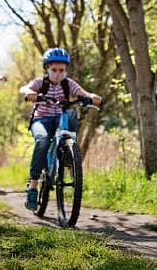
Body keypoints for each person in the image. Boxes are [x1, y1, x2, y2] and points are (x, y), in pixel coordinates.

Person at [19, 48, 102, 210]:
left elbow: (82, 92)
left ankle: (68, 152)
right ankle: (33, 186)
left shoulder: (68, 84)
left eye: (61, 70)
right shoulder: (40, 83)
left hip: (60, 119)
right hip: (41, 120)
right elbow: (24, 88)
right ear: (47, 69)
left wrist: (91, 97)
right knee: (42, 140)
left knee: (71, 114)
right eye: (54, 70)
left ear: (66, 70)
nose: (57, 74)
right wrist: (30, 93)